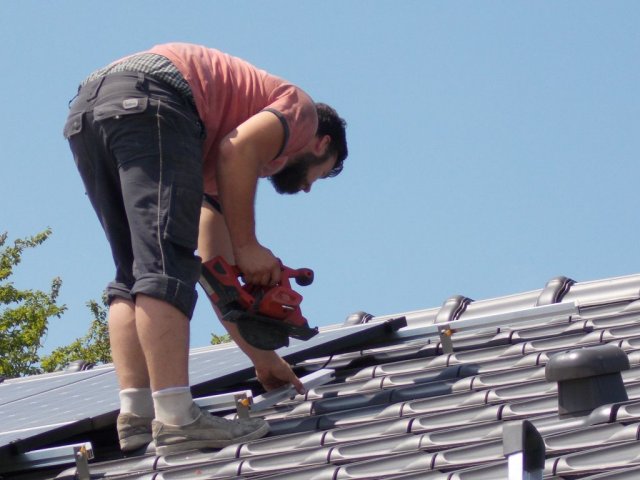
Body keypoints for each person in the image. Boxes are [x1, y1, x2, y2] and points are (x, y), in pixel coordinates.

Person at [63, 43, 348, 455]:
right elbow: (239, 149)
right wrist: (249, 246)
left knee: (134, 273)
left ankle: (138, 414)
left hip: (91, 110)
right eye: (320, 175)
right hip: (153, 99)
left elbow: (216, 275)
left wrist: (264, 358)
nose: (306, 188)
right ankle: (177, 419)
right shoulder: (301, 113)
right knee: (162, 267)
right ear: (321, 145)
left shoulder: (210, 162)